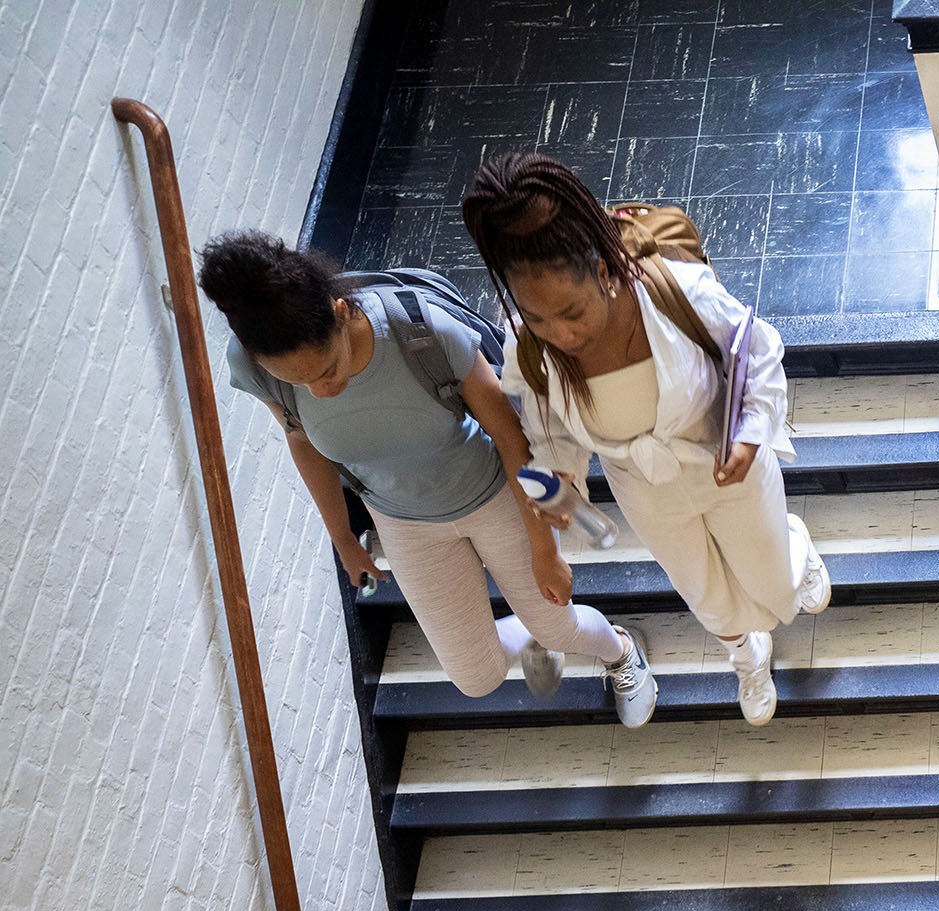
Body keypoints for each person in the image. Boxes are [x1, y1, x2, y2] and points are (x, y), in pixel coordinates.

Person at [199, 232, 655, 723]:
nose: (321, 391)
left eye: (328, 369)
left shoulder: (421, 331)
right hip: (403, 521)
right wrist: (344, 539)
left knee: (561, 628)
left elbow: (510, 439)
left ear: (340, 311)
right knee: (476, 679)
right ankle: (531, 633)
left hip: (491, 494)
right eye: (300, 382)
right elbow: (301, 441)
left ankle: (621, 651)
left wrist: (544, 547)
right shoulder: (255, 366)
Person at [459, 153, 830, 726]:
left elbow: (759, 351)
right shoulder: (528, 351)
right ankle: (745, 654)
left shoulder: (674, 291)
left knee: (772, 586)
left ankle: (795, 545)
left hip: (723, 461)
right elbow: (549, 433)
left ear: (605, 272)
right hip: (645, 490)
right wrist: (561, 484)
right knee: (707, 598)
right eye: (538, 319)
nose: (561, 334)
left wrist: (753, 439)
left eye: (571, 311)